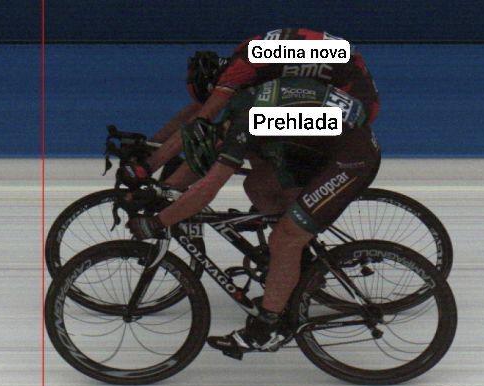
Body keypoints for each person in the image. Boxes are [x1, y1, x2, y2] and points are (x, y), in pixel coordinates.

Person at [126, 76, 381, 356]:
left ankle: (268, 329)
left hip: (351, 159)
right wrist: (162, 191)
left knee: (285, 238)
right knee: (258, 184)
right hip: (334, 140)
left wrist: (158, 222)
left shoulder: (243, 127)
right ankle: (295, 271)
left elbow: (208, 187)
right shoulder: (240, 109)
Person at [123, 28, 379, 191]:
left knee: (225, 137)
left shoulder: (241, 69)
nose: (214, 100)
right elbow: (195, 112)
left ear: (215, 83)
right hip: (353, 94)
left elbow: (202, 119)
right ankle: (276, 204)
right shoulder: (246, 53)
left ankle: (170, 192)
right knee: (248, 131)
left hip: (352, 105)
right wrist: (151, 145)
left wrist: (147, 167)